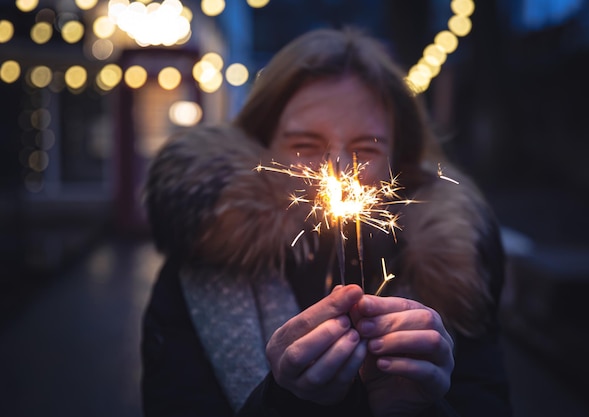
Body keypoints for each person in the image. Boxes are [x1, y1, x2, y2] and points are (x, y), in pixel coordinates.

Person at [141, 27, 511, 417]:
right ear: (261, 147)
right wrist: (283, 404)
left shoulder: (455, 270)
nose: (336, 170)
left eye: (365, 148)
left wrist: (423, 410)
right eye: (305, 145)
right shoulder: (201, 264)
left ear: (397, 159)